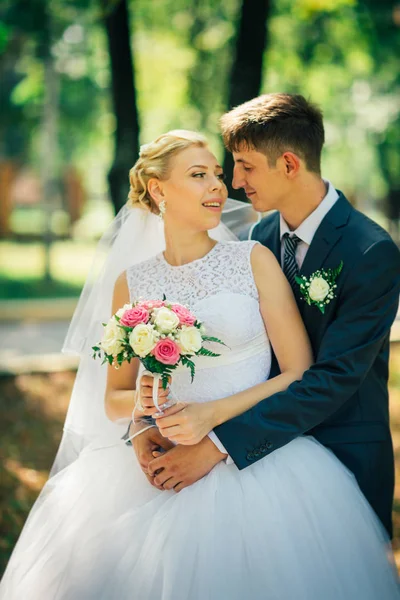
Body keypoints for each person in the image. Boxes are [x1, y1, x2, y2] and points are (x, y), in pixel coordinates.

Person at [1, 130, 399, 599]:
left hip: (260, 467)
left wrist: (212, 420)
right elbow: (113, 397)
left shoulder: (254, 258)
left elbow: (297, 372)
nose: (219, 186)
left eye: (217, 174)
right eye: (198, 175)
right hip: (155, 465)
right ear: (158, 190)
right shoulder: (133, 282)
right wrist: (141, 416)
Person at [138, 94, 400, 543]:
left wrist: (217, 445)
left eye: (246, 166)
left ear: (291, 165)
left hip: (338, 450)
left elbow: (332, 378)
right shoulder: (259, 237)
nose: (235, 182)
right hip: (256, 454)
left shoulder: (370, 252)